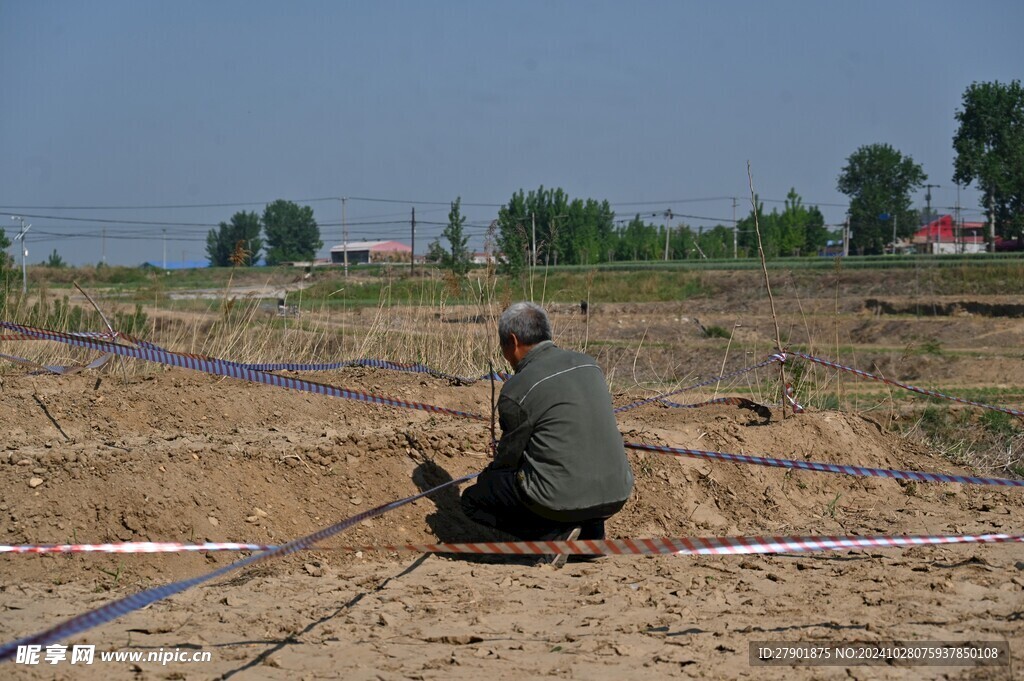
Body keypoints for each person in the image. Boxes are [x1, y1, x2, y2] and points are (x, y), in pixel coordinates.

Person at [460, 302, 634, 562]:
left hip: (558, 498)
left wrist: (489, 474)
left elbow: (508, 461)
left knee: (475, 499)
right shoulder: (589, 365)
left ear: (513, 341)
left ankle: (550, 537)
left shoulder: (518, 388)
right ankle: (590, 538)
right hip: (616, 492)